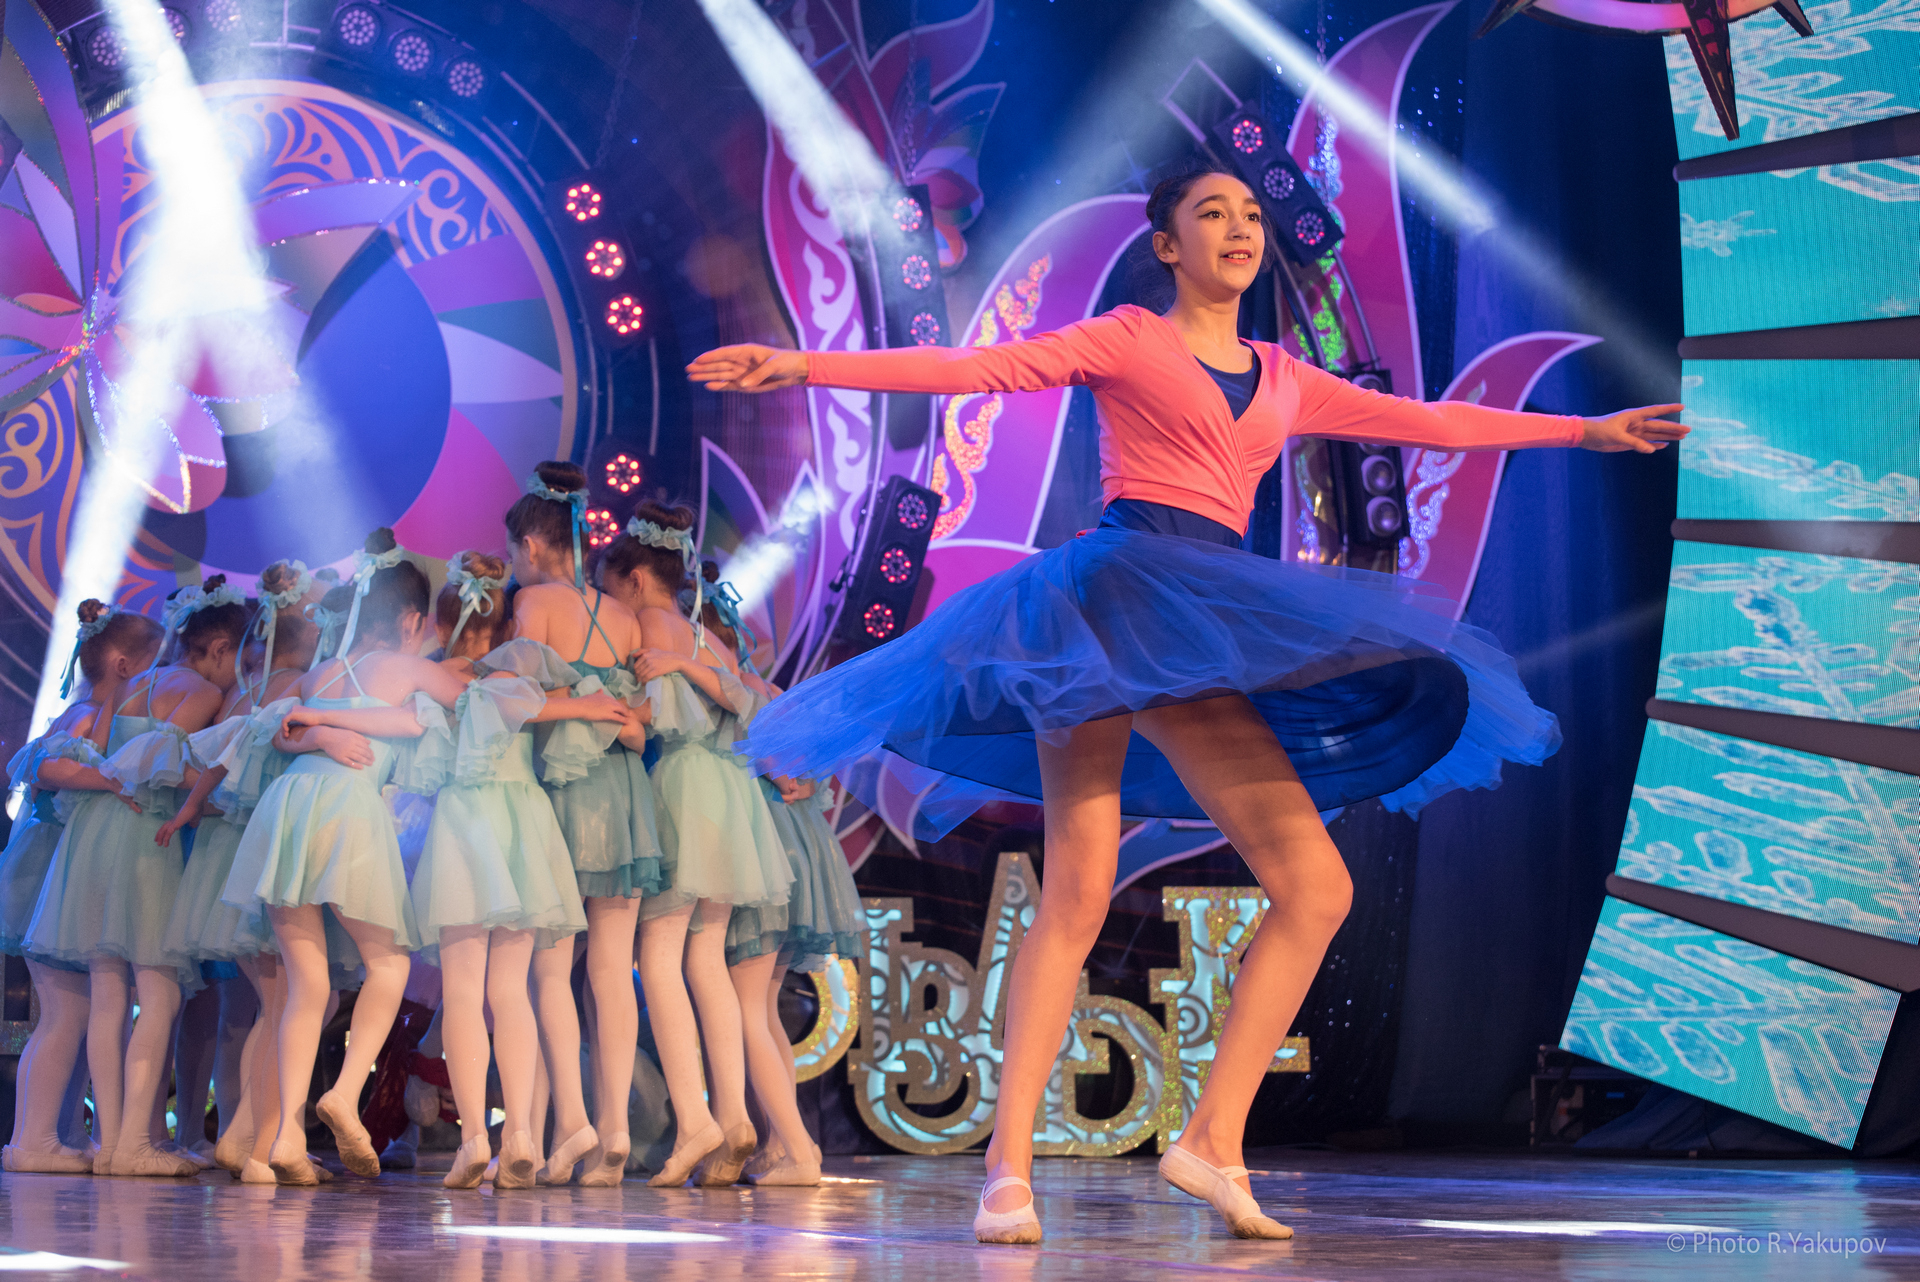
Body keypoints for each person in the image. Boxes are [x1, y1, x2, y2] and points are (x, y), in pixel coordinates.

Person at [685, 166, 1686, 1242]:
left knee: (1283, 888)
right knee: (1109, 890)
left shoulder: (1287, 376)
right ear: (1167, 245)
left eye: (1251, 215)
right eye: (1213, 214)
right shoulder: (1128, 337)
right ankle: (1016, 1172)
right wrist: (801, 363)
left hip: (1195, 611)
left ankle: (1198, 1140)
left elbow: (1427, 421)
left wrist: (1585, 433)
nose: (1240, 228)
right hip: (1115, 598)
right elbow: (978, 367)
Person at [222, 529, 465, 1185]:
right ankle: (344, 1090)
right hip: (347, 812)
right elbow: (471, 710)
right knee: (389, 963)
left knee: (306, 987)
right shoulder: (411, 670)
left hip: (289, 809)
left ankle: (282, 1140)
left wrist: (323, 727)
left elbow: (280, 729)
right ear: (411, 620)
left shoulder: (319, 674)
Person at [410, 550, 632, 1189]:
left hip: (466, 822)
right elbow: (522, 702)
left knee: (465, 989)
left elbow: (485, 701)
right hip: (524, 823)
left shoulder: (436, 676)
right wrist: (585, 708)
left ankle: (475, 1137)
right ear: (507, 624)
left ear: (440, 623)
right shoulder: (522, 665)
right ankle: (522, 1134)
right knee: (510, 990)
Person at [598, 510, 792, 1188]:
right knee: (705, 962)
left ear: (635, 579)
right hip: (728, 792)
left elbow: (658, 712)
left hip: (684, 784)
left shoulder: (654, 625)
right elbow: (747, 701)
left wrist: (600, 710)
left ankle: (694, 1120)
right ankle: (732, 1117)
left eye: (612, 591)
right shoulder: (706, 634)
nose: (613, 607)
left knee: (659, 958)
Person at [507, 461, 661, 1184]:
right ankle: (612, 1133)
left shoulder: (534, 602)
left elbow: (516, 705)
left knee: (546, 969)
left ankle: (551, 1133)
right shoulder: (624, 617)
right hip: (624, 793)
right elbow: (641, 719)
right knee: (610, 969)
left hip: (562, 795)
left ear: (531, 546)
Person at [0, 603, 162, 1173]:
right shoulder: (85, 713)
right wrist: (111, 779)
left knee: (73, 1011)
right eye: (153, 667)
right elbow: (43, 767)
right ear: (123, 666)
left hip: (57, 875)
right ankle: (33, 1139)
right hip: (47, 875)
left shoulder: (91, 713)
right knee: (65, 1013)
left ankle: (59, 1132)